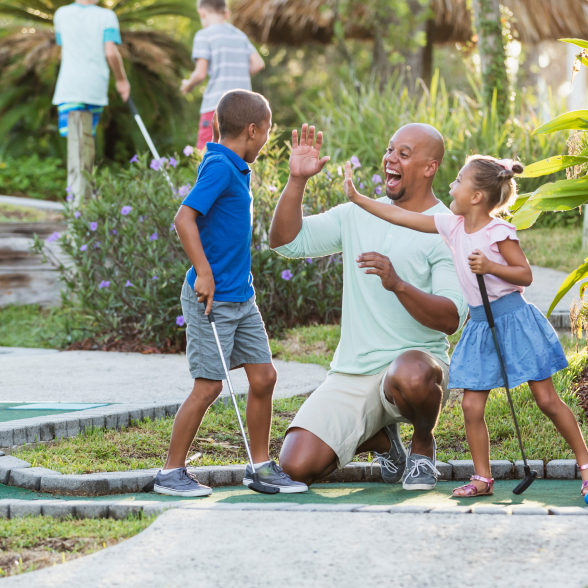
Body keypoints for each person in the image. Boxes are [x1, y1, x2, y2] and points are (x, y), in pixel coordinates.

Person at [344, 154, 588, 497]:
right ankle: (482, 479)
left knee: (546, 400)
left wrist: (490, 265)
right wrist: (358, 199)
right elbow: (402, 216)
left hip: (514, 320)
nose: (451, 186)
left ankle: (585, 465)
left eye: (458, 181)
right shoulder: (452, 226)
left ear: (476, 197)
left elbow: (525, 274)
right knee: (471, 406)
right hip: (480, 325)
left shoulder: (499, 231)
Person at [269, 123, 468, 491]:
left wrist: (397, 285)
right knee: (295, 466)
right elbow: (284, 242)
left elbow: (450, 318)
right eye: (390, 150)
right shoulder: (355, 214)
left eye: (403, 154)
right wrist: (297, 180)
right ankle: (384, 443)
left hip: (416, 368)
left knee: (409, 373)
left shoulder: (447, 229)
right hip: (353, 373)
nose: (390, 159)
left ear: (430, 167)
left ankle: (422, 449)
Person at [154, 90, 307, 496]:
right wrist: (203, 272)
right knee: (208, 386)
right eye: (267, 133)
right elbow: (184, 218)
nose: (266, 140)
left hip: (242, 297)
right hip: (212, 299)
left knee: (264, 377)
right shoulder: (221, 166)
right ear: (253, 130)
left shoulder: (236, 166)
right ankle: (170, 473)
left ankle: (259, 466)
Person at [181, 0, 265, 150]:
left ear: (202, 13)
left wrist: (188, 85)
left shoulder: (204, 35)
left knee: (206, 154)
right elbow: (258, 63)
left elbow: (200, 74)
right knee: (239, 156)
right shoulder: (240, 36)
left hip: (216, 106)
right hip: (244, 108)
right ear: (226, 13)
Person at [52, 0, 130, 137]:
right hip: (95, 87)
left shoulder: (60, 14)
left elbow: (62, 48)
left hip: (69, 87)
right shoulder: (107, 16)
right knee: (86, 138)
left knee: (74, 138)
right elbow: (110, 53)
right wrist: (121, 80)